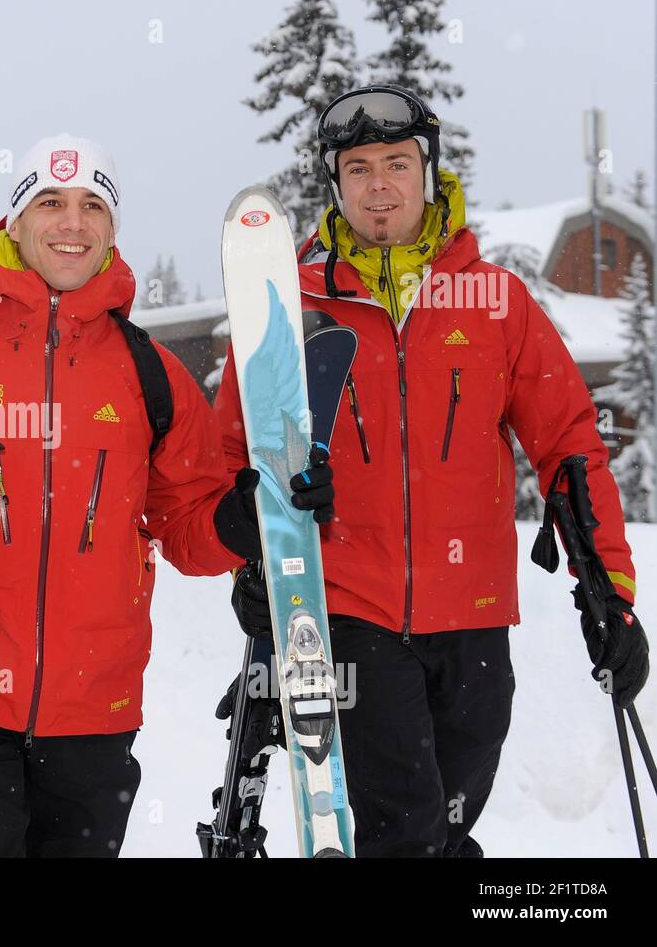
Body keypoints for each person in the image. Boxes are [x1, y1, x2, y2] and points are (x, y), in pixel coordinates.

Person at [0, 134, 332, 857]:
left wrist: (246, 516)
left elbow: (188, 526)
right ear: (15, 222)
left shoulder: (150, 374)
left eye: (92, 205)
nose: (73, 222)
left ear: (112, 227)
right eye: (50, 202)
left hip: (94, 710)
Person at [213, 84, 650, 857]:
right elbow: (226, 464)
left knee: (448, 822)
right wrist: (250, 523)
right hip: (348, 610)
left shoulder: (496, 303)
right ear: (336, 185)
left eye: (395, 164)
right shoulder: (292, 304)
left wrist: (608, 591)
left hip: (475, 616)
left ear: (428, 172)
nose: (378, 186)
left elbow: (570, 445)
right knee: (402, 829)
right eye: (357, 169)